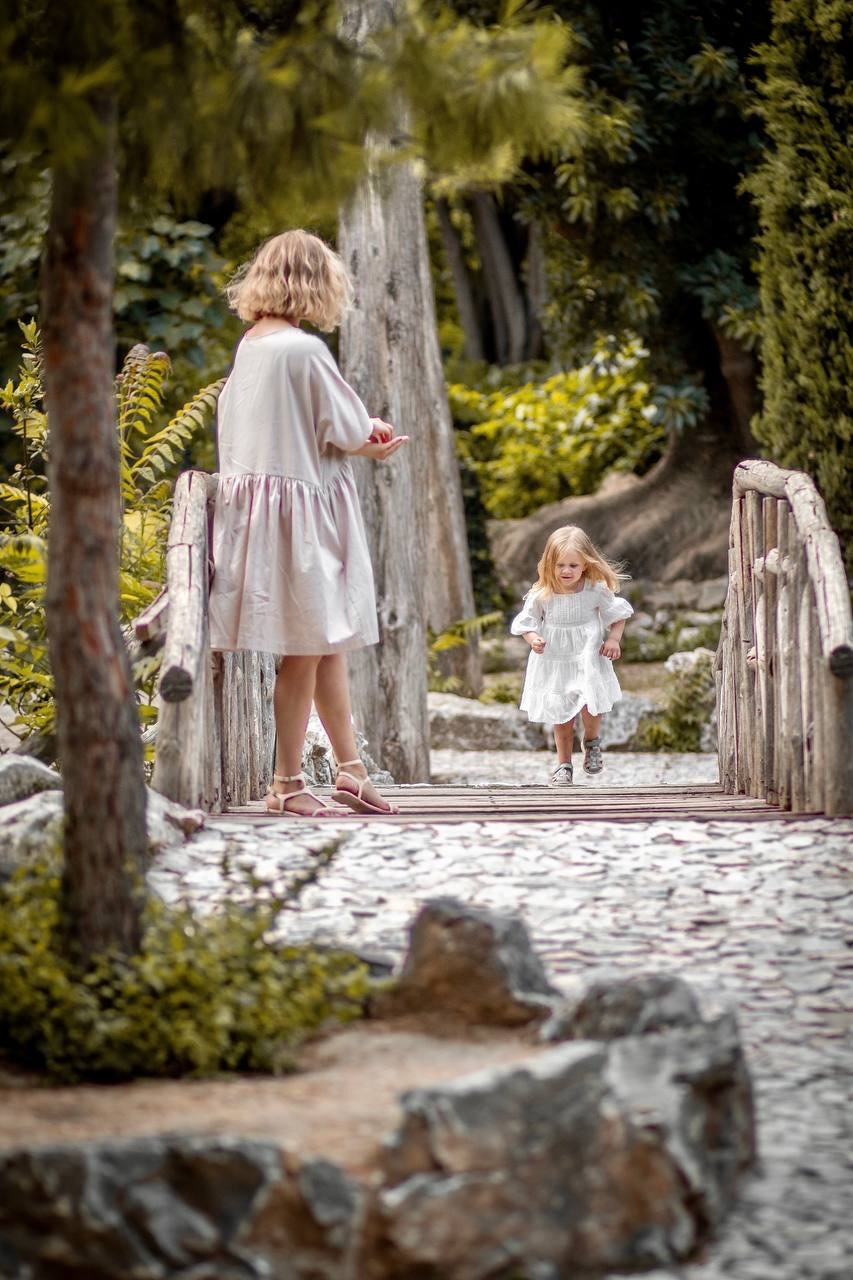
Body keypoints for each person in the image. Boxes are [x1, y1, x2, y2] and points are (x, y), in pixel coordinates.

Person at [208, 230, 408, 817]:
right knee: (304, 651)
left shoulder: (252, 346)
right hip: (302, 520)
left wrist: (352, 430)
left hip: (264, 518)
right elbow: (344, 428)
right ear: (316, 284)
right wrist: (369, 434)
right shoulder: (303, 350)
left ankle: (350, 769)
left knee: (326, 643)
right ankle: (286, 783)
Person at [510, 525, 633, 785]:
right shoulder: (542, 594)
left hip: (587, 656)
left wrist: (613, 639)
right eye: (560, 565)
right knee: (562, 715)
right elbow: (526, 623)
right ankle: (563, 765)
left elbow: (618, 615)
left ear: (586, 565)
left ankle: (591, 741)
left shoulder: (594, 590)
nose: (566, 571)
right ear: (549, 564)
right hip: (555, 660)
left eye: (573, 566)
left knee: (590, 703)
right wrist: (533, 639)